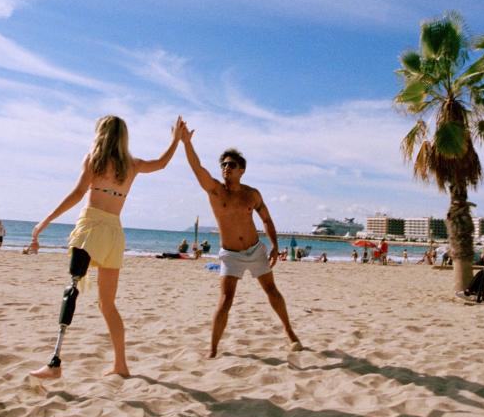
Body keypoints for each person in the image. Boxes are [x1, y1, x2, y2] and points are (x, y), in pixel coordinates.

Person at [27, 115, 184, 380]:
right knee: (107, 304)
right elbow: (162, 163)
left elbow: (77, 195)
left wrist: (44, 222)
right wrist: (176, 140)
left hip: (91, 229)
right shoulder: (131, 165)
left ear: (101, 133)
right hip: (114, 233)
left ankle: (54, 363)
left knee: (72, 290)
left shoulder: (95, 160)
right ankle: (121, 365)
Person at [179, 125, 302, 358]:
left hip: (255, 250)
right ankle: (213, 349)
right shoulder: (215, 191)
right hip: (231, 254)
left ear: (241, 170)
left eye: (231, 165)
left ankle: (289, 332)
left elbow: (266, 219)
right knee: (225, 301)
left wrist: (275, 246)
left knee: (272, 291)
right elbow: (197, 169)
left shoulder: (252, 194)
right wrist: (186, 143)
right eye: (223, 164)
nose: (226, 168)